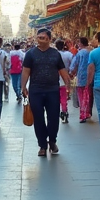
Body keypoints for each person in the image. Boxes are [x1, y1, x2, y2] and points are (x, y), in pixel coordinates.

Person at [21, 28, 71, 157]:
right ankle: (42, 145)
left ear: (49, 39)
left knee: (53, 117)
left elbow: (62, 70)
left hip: (52, 90)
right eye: (38, 37)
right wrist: (23, 86)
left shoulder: (55, 54)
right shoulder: (30, 54)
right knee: (38, 118)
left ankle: (52, 141)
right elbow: (26, 71)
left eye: (43, 38)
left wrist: (67, 84)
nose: (40, 40)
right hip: (36, 90)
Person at [70, 37, 93, 123]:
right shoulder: (92, 52)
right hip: (92, 78)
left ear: (81, 43)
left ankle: (83, 114)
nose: (78, 44)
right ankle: (88, 112)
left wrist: (72, 73)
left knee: (81, 96)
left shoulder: (80, 53)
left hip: (81, 78)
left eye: (79, 42)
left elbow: (74, 65)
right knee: (89, 96)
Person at [56, 39, 74, 124]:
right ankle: (64, 111)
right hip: (65, 79)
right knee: (64, 98)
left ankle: (56, 113)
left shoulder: (54, 54)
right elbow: (73, 63)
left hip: (54, 80)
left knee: (55, 98)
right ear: (64, 45)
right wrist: (71, 72)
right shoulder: (68, 54)